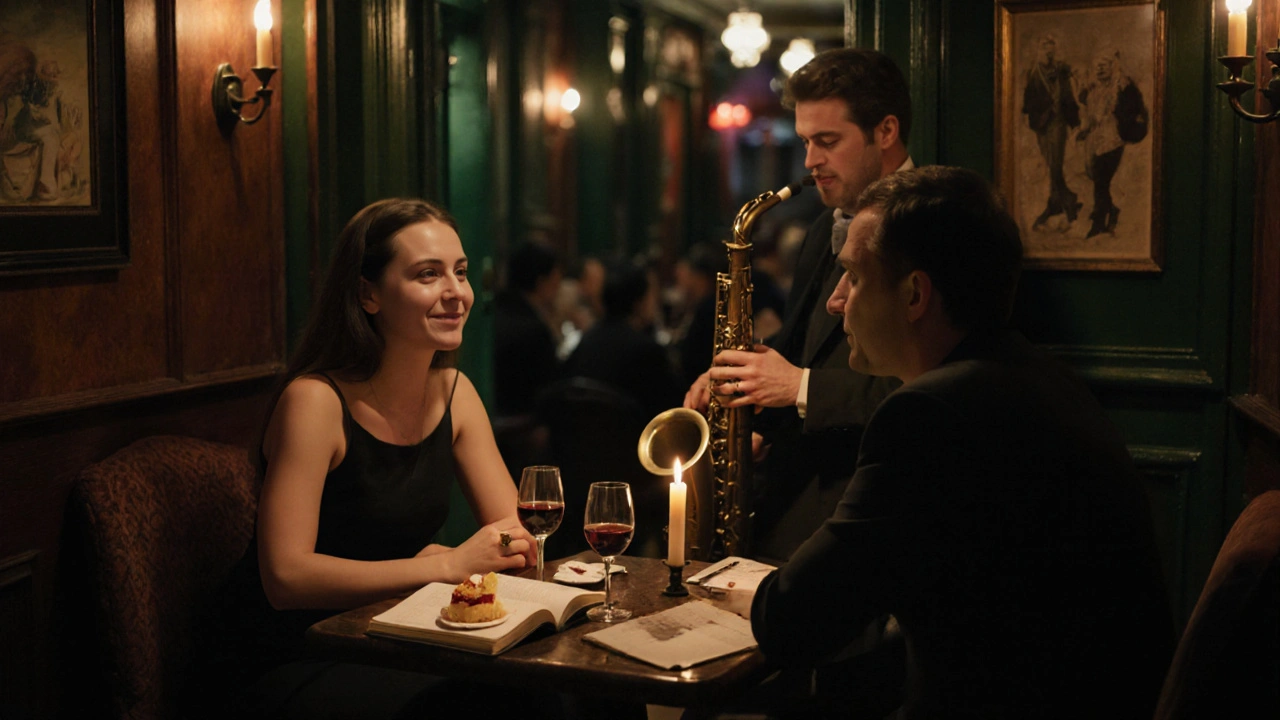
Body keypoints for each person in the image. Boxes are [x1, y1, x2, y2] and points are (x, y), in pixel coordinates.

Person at [748, 166, 1175, 718]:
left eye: (853, 276)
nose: (836, 300)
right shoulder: (1029, 373)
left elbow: (793, 622)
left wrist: (742, 593)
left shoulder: (931, 414)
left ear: (915, 294)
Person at [199, 198, 553, 720]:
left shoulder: (455, 392)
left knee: (556, 688)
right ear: (368, 294)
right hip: (294, 655)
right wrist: (444, 565)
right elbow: (285, 578)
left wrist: (490, 554)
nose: (456, 293)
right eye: (428, 275)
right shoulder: (315, 401)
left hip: (394, 635)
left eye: (459, 272)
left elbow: (516, 536)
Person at [683, 48, 909, 563]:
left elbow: (931, 386)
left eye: (827, 141)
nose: (809, 161)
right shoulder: (817, 232)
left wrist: (798, 387)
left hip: (866, 505)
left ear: (886, 131)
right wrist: (741, 381)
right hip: (793, 489)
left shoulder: (931, 224)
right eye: (806, 141)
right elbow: (797, 349)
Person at [564, 257, 684, 421]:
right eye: (651, 293)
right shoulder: (647, 350)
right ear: (638, 303)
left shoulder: (586, 340)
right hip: (631, 443)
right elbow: (674, 410)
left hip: (580, 440)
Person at [1077, 49, 1147, 238]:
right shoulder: (1093, 90)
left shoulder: (1122, 87)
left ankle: (1099, 222)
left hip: (1113, 140)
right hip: (1094, 141)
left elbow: (1133, 109)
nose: (1100, 69)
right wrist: (1084, 131)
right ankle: (1111, 209)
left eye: (1105, 65)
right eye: (1097, 66)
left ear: (1112, 67)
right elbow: (1091, 116)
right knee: (1095, 177)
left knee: (1101, 182)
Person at [494, 240, 563, 416]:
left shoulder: (496, 311)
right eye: (556, 280)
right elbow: (550, 390)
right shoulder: (533, 330)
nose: (559, 288)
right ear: (542, 282)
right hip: (520, 427)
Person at [1022, 35, 1082, 229]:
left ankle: (1064, 203)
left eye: (1051, 50)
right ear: (1039, 50)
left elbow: (1069, 96)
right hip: (1041, 124)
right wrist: (1029, 116)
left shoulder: (1062, 70)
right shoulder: (1033, 73)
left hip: (1058, 123)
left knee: (1055, 166)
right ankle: (1059, 201)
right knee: (1050, 165)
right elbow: (1028, 100)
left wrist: (1075, 122)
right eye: (1045, 49)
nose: (1049, 53)